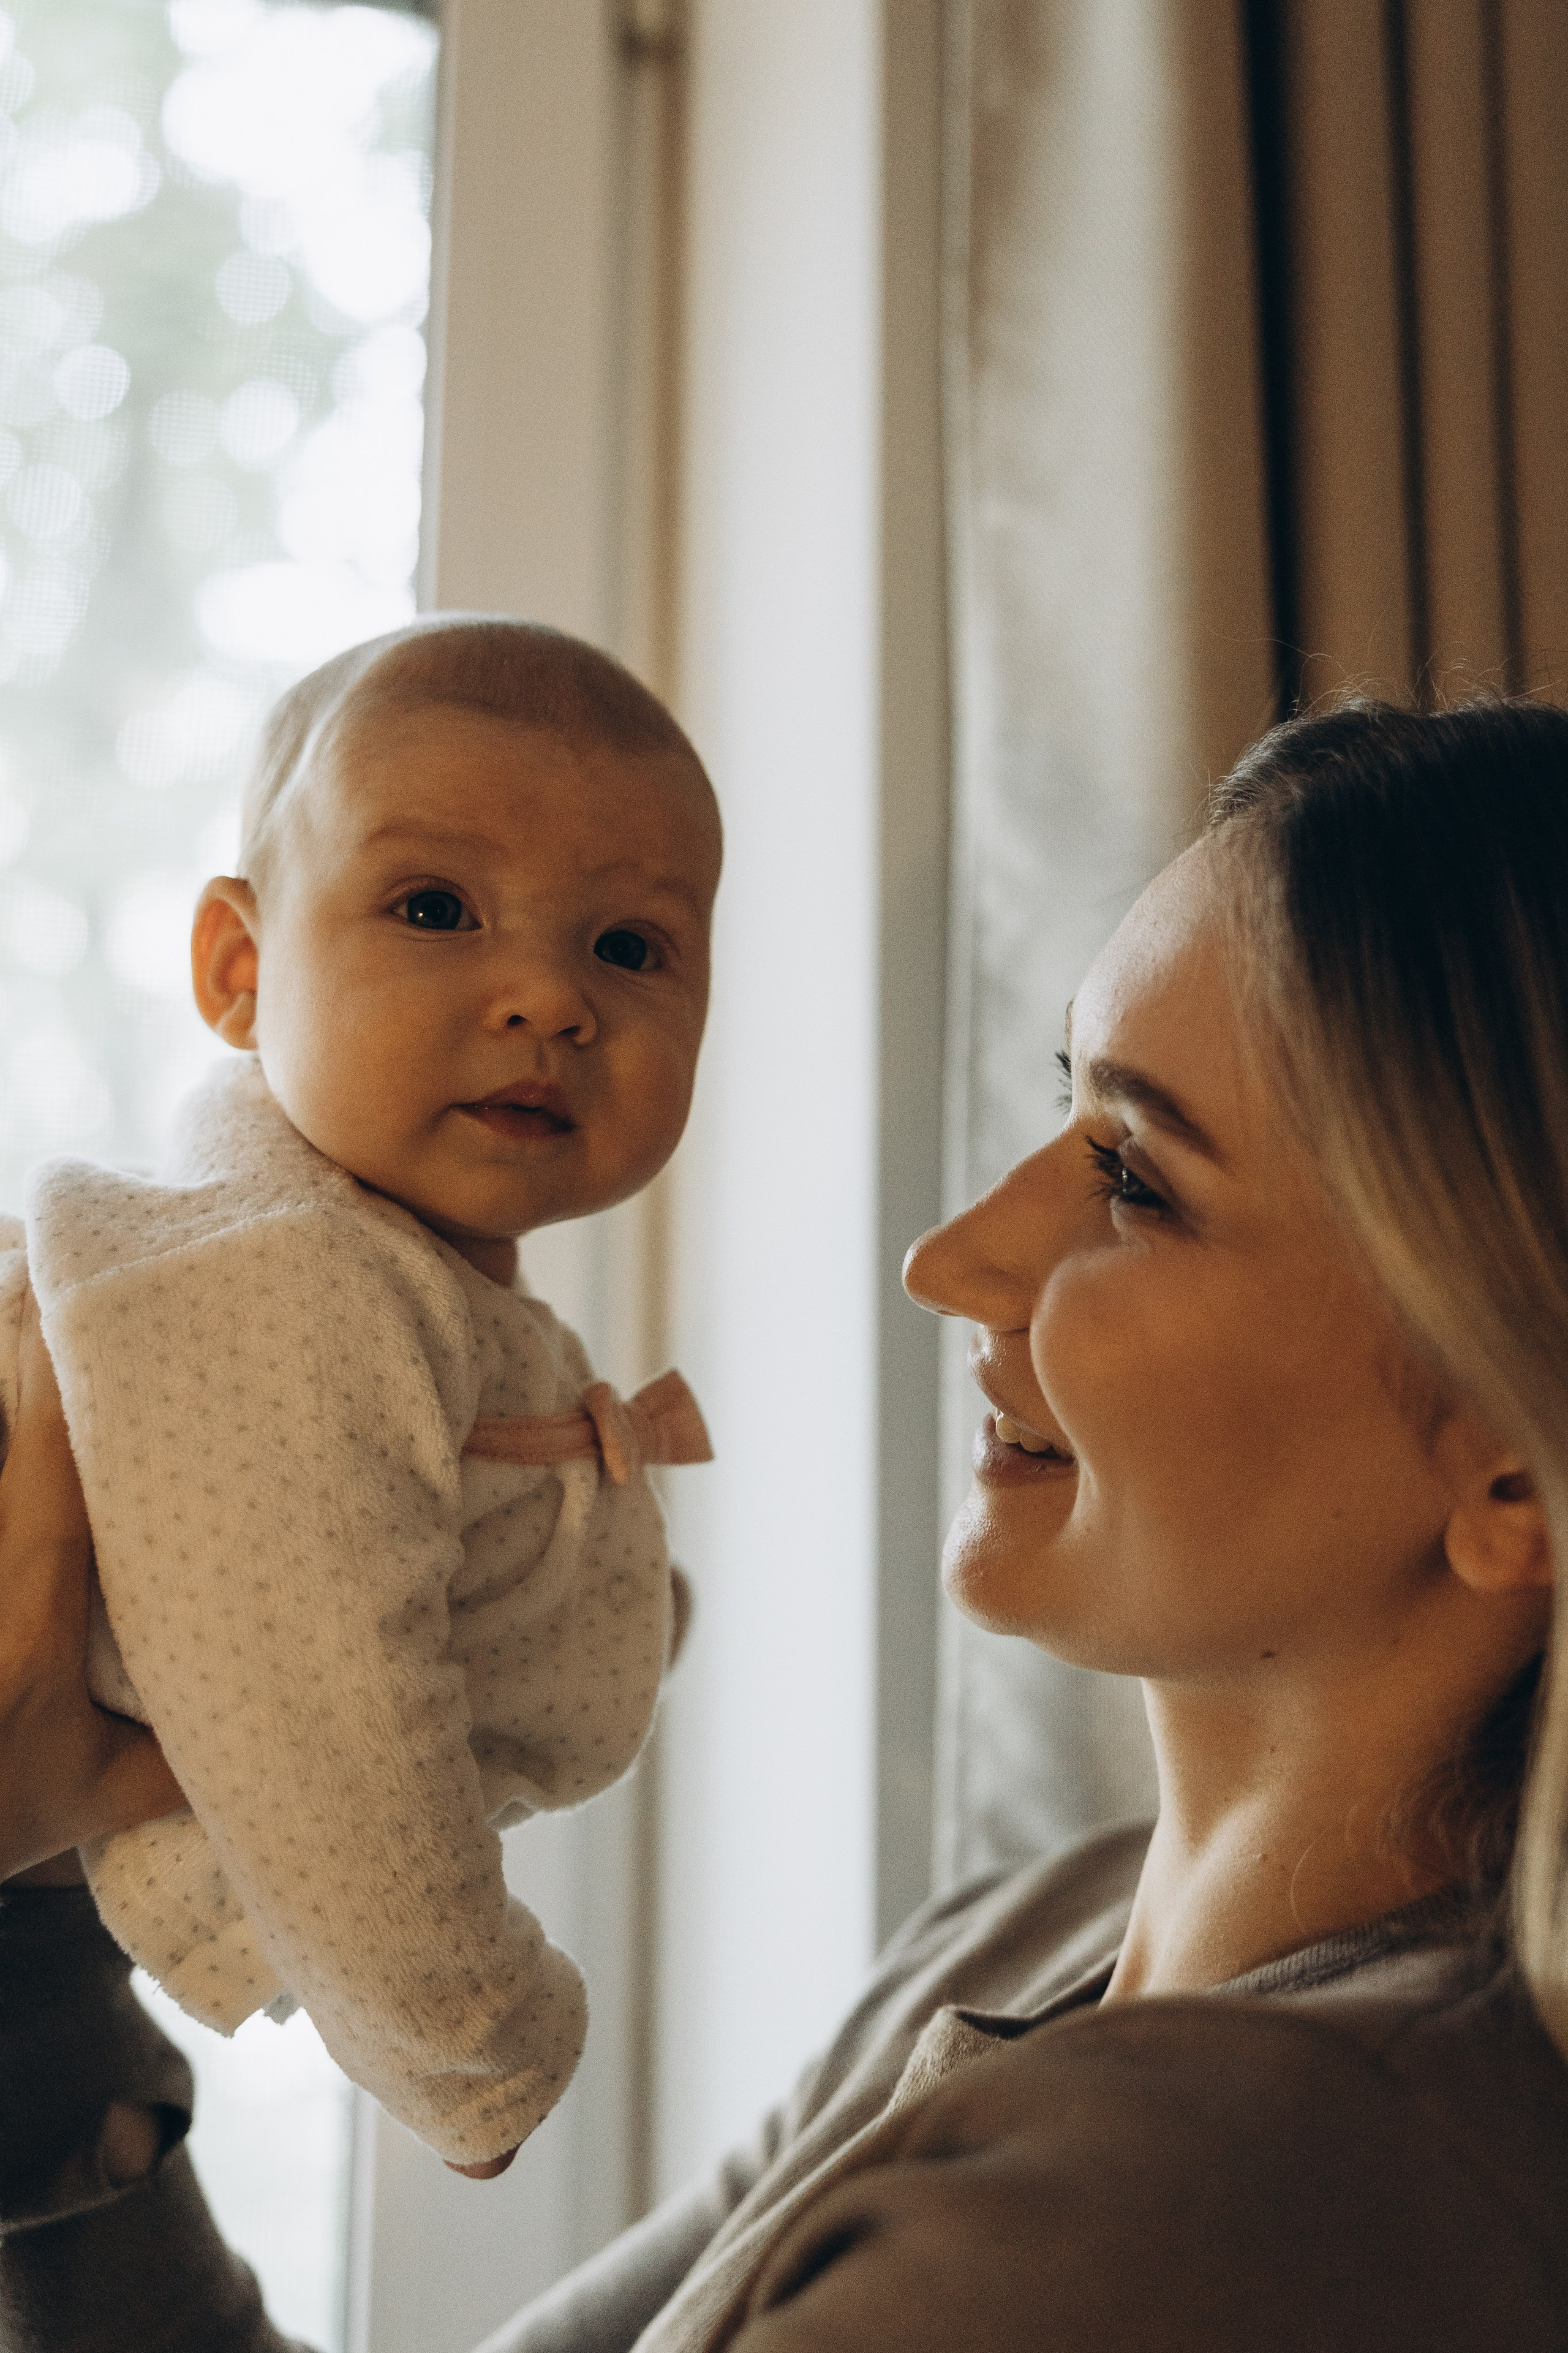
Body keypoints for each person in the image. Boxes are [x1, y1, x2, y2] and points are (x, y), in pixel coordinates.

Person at [3, 693, 1567, 2351]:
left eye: (1135, 1177)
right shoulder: (1031, 1934)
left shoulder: (1203, 2209)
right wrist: (36, 1897)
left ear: (1514, 1472)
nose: (952, 1256)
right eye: (1066, 1109)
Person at [6, 616, 720, 2181]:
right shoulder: (285, 1283)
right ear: (239, 973)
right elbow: (322, 1731)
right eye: (435, 908)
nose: (547, 994)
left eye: (629, 945)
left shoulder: (410, 1284)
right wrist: (479, 2045)